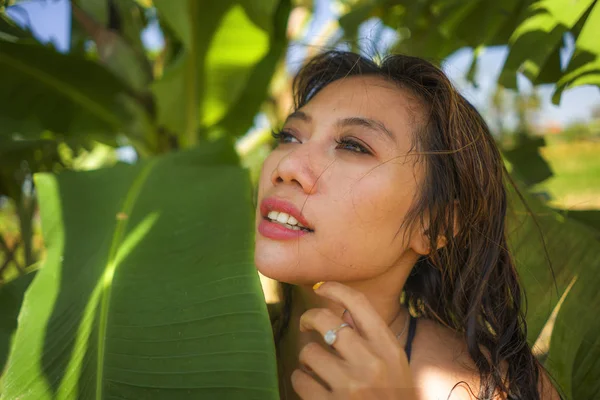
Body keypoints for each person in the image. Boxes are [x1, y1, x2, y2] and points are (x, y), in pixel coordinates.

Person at [253, 50, 561, 400]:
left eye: (353, 146)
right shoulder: (187, 348)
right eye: (290, 136)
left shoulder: (495, 390)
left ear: (434, 225)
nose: (288, 165)